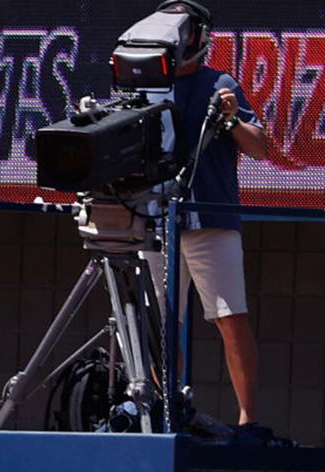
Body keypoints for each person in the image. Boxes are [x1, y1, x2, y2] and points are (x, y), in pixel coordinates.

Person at [146, 0, 269, 428]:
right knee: (159, 324)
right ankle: (169, 411)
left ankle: (247, 420)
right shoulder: (146, 85)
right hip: (157, 221)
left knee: (230, 316)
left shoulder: (220, 82)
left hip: (210, 217)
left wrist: (232, 119)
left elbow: (261, 146)